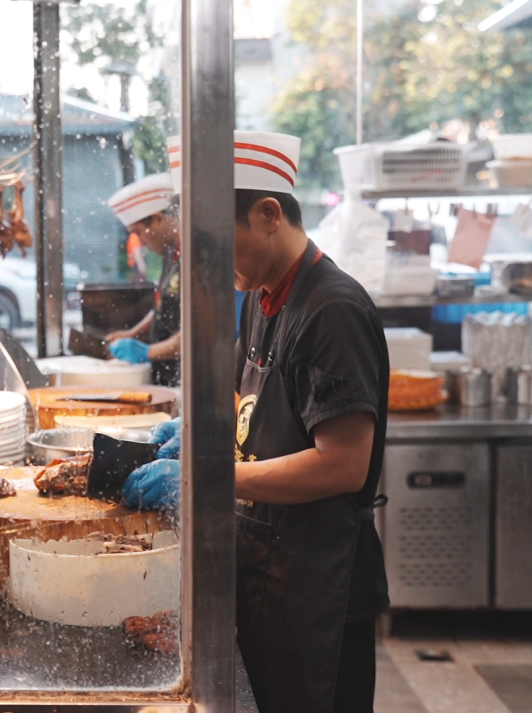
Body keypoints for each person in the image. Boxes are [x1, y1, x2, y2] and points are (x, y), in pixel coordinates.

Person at [123, 131, 390, 713]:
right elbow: (252, 403)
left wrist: (210, 479)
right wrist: (198, 433)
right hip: (273, 564)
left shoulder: (333, 310)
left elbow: (344, 464)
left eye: (219, 242)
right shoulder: (264, 294)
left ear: (268, 214)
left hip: (321, 580)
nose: (210, 262)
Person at [102, 172, 181, 386]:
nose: (141, 243)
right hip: (166, 376)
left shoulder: (197, 257)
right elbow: (162, 307)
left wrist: (147, 351)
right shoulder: (170, 255)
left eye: (138, 232)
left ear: (158, 219)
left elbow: (199, 332)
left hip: (187, 377)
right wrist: (133, 334)